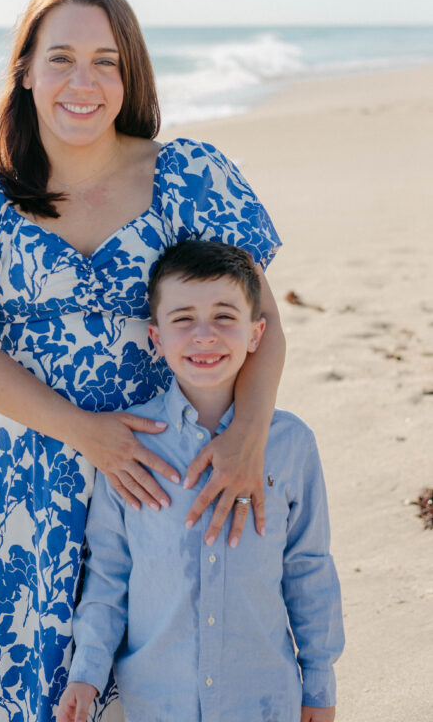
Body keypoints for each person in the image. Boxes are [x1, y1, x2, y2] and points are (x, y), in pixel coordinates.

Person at [0, 0, 285, 722]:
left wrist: (247, 436)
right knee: (7, 686)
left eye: (106, 61)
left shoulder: (188, 180)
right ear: (26, 71)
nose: (84, 82)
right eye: (62, 57)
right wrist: (86, 434)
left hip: (157, 476)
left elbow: (261, 326)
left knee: (155, 686)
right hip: (14, 488)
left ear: (130, 75)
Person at [59, 240, 344, 722]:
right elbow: (108, 577)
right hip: (158, 700)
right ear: (155, 337)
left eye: (225, 317)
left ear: (257, 334)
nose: (204, 335)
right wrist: (86, 674)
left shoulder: (292, 444)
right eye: (183, 319)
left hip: (264, 698)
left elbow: (309, 568)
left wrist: (318, 683)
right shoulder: (128, 447)